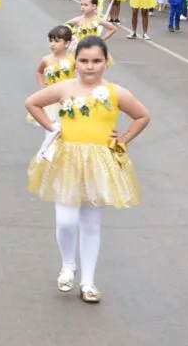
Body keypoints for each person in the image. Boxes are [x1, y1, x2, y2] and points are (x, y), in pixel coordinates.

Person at [26, 36, 150, 303]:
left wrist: (123, 138)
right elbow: (32, 103)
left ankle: (88, 281)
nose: (90, 66)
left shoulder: (116, 92)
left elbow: (142, 116)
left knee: (91, 223)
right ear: (76, 62)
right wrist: (52, 127)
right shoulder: (64, 88)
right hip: (67, 159)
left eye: (96, 61)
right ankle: (68, 265)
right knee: (66, 220)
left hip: (99, 162)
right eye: (84, 61)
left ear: (106, 62)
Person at [29, 25, 73, 126]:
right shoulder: (46, 59)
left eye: (57, 41)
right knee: (51, 126)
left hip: (66, 97)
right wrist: (42, 86)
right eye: (51, 41)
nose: (52, 44)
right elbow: (39, 72)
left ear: (67, 43)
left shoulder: (72, 60)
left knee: (67, 124)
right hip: (51, 98)